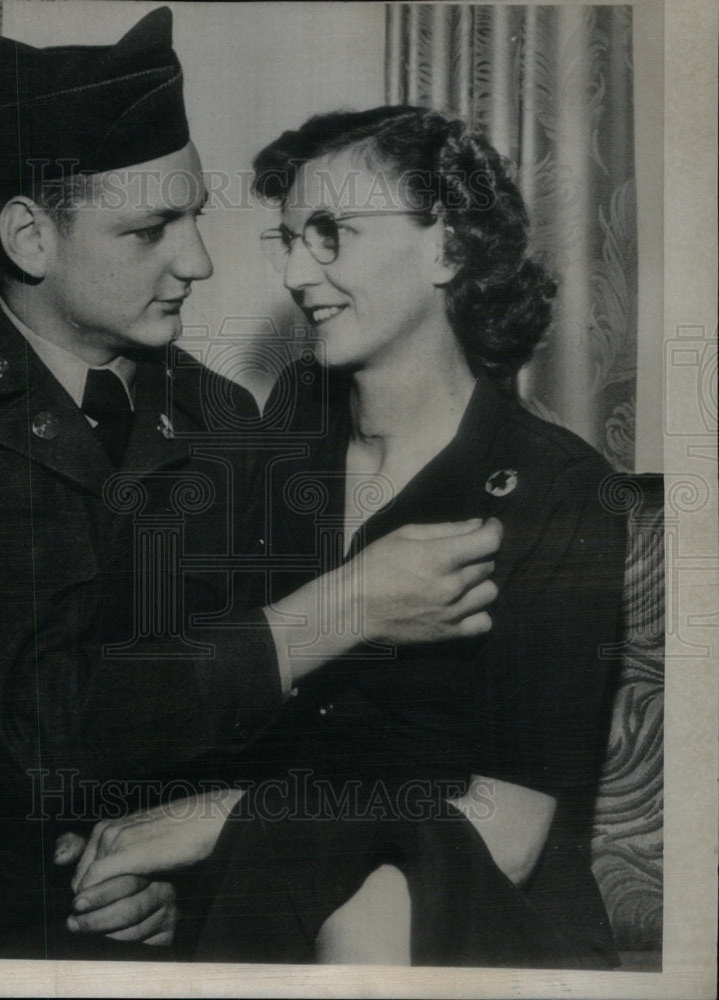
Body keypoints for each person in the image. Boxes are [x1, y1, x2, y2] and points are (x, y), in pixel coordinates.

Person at [0, 16, 501, 959]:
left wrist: (175, 865)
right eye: (151, 227)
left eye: (195, 215)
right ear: (30, 237)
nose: (198, 261)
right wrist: (337, 611)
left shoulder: (217, 419)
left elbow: (258, 730)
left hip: (138, 918)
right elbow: (32, 722)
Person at [62, 105, 627, 968]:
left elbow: (508, 834)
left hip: (460, 912)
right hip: (264, 894)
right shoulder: (253, 458)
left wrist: (225, 822)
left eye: (330, 233)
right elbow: (160, 716)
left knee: (369, 919)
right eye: (287, 239)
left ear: (447, 246)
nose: (295, 271)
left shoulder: (555, 488)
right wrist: (151, 876)